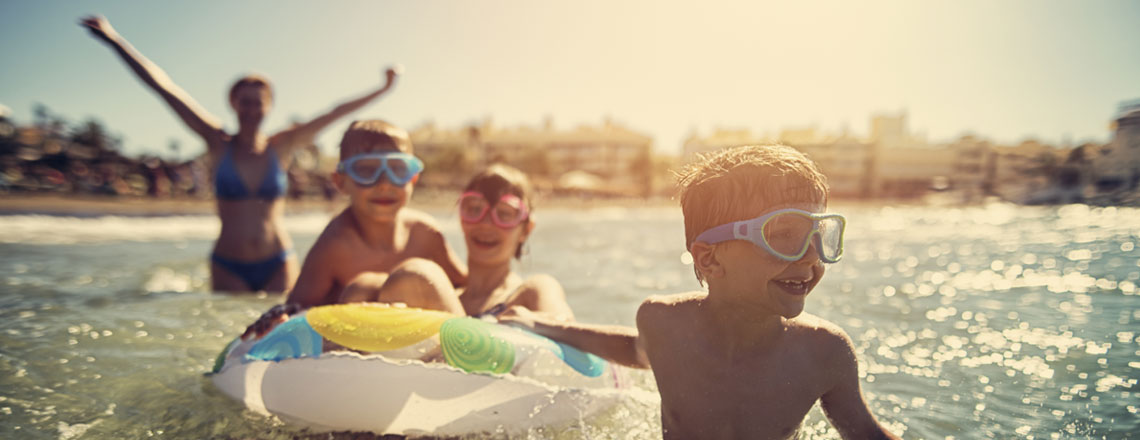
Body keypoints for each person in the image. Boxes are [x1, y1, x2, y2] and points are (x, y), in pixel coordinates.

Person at [502, 145, 900, 439]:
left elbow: (866, 434)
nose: (812, 257)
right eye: (784, 235)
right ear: (709, 259)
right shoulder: (664, 322)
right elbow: (635, 350)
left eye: (820, 235)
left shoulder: (823, 352)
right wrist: (541, 325)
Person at [81, 15, 401, 293]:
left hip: (278, 263)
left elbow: (334, 112)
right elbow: (164, 88)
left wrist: (383, 89)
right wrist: (114, 40)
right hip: (228, 265)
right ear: (233, 103)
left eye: (258, 102)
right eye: (245, 101)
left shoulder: (282, 146)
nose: (251, 109)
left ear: (269, 106)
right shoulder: (218, 143)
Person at [242, 120, 466, 339]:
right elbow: (296, 308)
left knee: (418, 275)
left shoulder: (425, 234)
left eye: (398, 169)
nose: (385, 183)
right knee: (363, 289)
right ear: (340, 182)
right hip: (363, 348)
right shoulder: (335, 245)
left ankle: (464, 351)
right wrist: (279, 318)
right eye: (367, 171)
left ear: (413, 178)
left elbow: (465, 285)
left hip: (423, 342)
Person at [340, 164, 575, 320]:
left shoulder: (530, 292)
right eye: (474, 209)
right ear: (462, 219)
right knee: (363, 288)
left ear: (526, 229)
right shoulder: (441, 296)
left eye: (504, 214)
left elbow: (564, 327)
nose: (486, 223)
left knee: (416, 276)